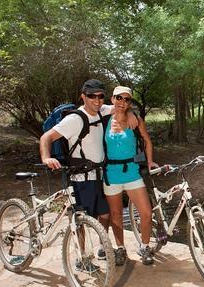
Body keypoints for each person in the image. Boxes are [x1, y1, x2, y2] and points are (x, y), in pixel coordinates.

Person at [40, 79, 137, 264]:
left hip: (100, 174)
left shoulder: (101, 110)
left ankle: (102, 246)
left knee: (105, 214)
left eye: (100, 96)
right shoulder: (74, 119)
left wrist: (130, 111)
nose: (97, 100)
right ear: (83, 96)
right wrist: (46, 157)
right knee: (81, 218)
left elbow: (120, 105)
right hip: (81, 177)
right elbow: (47, 137)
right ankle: (82, 255)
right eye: (92, 96)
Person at [103, 86, 157, 266]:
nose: (122, 102)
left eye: (127, 100)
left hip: (132, 173)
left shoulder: (136, 120)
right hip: (111, 174)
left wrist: (149, 162)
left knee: (146, 213)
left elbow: (147, 141)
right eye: (119, 98)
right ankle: (120, 249)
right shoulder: (103, 119)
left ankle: (145, 246)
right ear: (112, 99)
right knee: (116, 215)